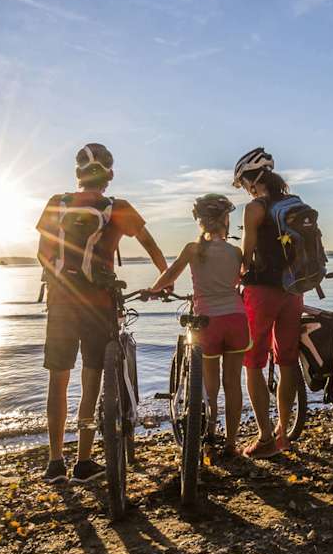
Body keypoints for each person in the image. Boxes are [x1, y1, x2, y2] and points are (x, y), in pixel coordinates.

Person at [35, 143, 169, 485]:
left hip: (61, 302)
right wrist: (162, 281)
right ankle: (83, 460)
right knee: (91, 381)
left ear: (78, 174)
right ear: (108, 175)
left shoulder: (57, 203)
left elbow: (42, 255)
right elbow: (151, 246)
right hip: (98, 304)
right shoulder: (117, 208)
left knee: (58, 381)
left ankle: (54, 463)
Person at [147, 194, 248, 460]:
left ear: (200, 222)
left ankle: (211, 435)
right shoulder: (236, 252)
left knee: (211, 386)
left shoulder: (192, 249)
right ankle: (232, 444)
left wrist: (153, 290)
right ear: (225, 221)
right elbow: (240, 281)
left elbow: (170, 275)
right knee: (233, 384)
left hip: (208, 321)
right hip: (237, 320)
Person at [232, 147, 301, 459]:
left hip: (262, 292)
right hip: (294, 289)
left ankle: (264, 438)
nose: (245, 188)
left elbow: (246, 257)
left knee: (253, 363)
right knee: (287, 361)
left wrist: (235, 275)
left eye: (244, 182)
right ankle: (283, 433)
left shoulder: (255, 208)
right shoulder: (294, 203)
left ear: (253, 179)